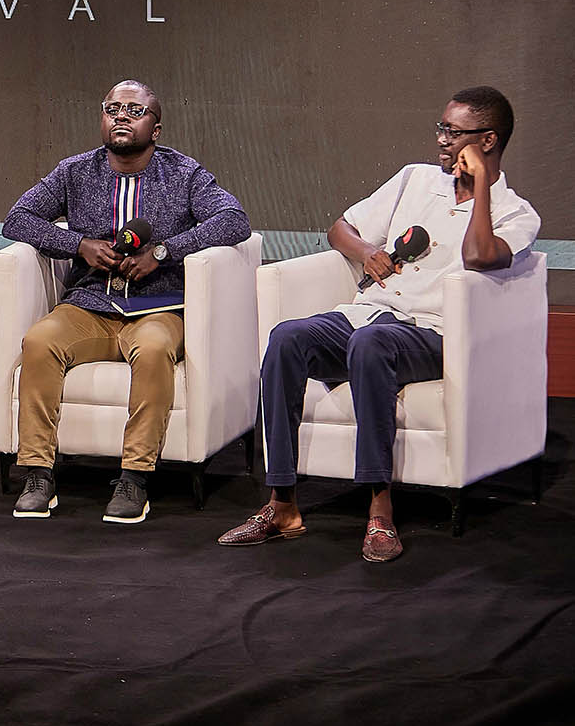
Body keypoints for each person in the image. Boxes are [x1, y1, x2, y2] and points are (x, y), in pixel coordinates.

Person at [219, 86, 539, 561]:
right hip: (365, 314)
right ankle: (282, 503)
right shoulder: (414, 180)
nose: (442, 139)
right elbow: (340, 229)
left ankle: (379, 508)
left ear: (487, 140)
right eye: (442, 128)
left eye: (454, 132)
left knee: (371, 344)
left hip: (431, 332)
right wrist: (368, 251)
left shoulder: (515, 212)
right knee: (287, 338)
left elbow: (478, 256)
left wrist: (480, 190)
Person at [3, 79, 251, 523]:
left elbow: (233, 220)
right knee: (39, 341)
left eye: (135, 110)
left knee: (153, 349)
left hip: (159, 307)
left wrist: (164, 253)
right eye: (112, 108)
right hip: (90, 304)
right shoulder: (75, 172)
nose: (121, 116)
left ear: (155, 129)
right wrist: (79, 245)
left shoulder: (184, 174)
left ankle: (135, 476)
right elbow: (17, 219)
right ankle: (38, 472)